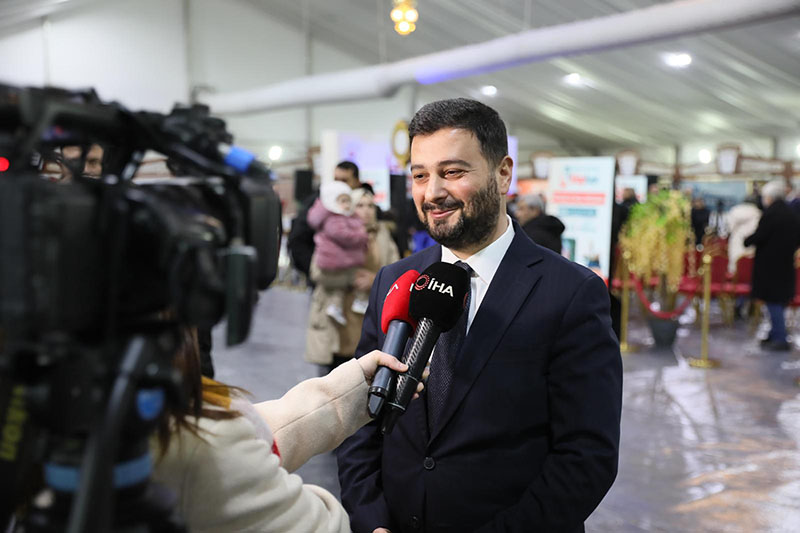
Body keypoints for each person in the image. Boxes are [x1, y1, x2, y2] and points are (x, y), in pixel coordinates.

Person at [337, 98, 622, 532]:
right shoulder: (396, 280)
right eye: (419, 175)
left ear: (503, 173)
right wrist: (371, 519)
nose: (432, 192)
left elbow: (586, 456)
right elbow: (363, 418)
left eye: (452, 172)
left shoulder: (571, 293)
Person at [305, 186, 400, 373]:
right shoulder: (334, 230)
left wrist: (374, 280)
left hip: (368, 319)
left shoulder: (382, 234)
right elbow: (317, 273)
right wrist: (351, 279)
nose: (366, 210)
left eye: (371, 206)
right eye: (360, 205)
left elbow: (396, 272)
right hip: (336, 320)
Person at [744, 180, 800, 351]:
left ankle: (780, 337)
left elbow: (760, 235)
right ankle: (775, 332)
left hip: (770, 267)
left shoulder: (772, 214)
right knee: (777, 301)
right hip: (784, 264)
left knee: (773, 301)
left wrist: (747, 240)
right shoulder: (791, 213)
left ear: (769, 197)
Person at [307, 181, 370, 325]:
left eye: (348, 200)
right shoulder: (334, 219)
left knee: (339, 289)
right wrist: (361, 236)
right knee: (351, 279)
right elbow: (343, 236)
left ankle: (338, 306)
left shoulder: (347, 218)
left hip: (341, 262)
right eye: (342, 201)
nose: (347, 204)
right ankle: (354, 302)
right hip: (336, 262)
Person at [288, 161, 361, 281]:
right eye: (336, 179)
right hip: (325, 278)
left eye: (344, 180)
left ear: (356, 182)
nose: (339, 184)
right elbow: (297, 239)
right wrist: (313, 271)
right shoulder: (318, 203)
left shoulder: (363, 203)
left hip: (356, 279)